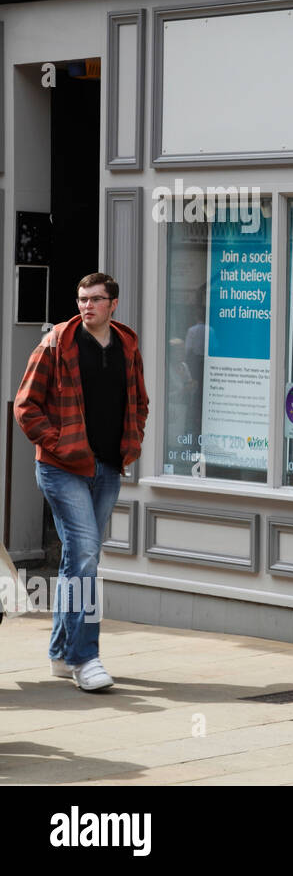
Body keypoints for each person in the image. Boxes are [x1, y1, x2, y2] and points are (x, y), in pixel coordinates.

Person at [14, 273, 149, 691]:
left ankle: (59, 651)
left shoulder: (127, 345)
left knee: (80, 558)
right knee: (87, 553)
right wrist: (58, 444)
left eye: (95, 299)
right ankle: (84, 658)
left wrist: (134, 437)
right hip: (61, 468)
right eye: (81, 299)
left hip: (108, 467)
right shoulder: (56, 342)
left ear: (113, 304)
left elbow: (139, 401)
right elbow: (26, 405)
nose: (86, 305)